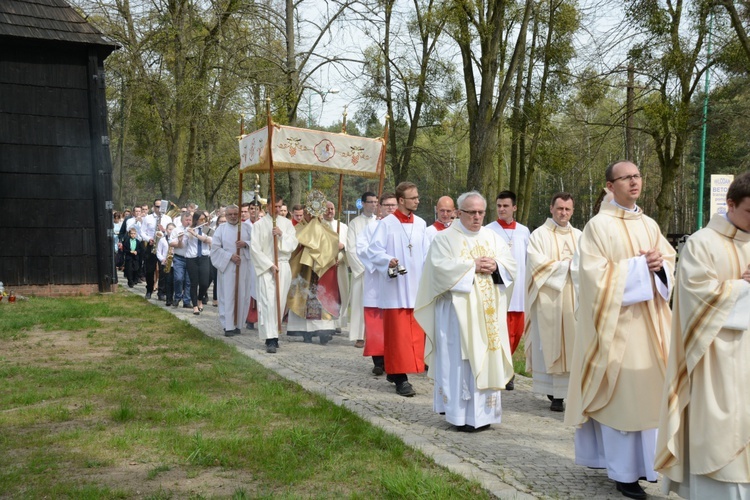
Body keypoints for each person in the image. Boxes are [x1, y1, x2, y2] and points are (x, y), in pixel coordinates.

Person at [565, 160, 675, 500]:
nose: (634, 182)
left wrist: (659, 268)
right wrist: (641, 267)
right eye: (626, 177)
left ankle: (649, 467)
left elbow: (669, 263)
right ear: (610, 186)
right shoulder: (598, 226)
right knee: (621, 398)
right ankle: (623, 473)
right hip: (615, 327)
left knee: (652, 397)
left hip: (652, 324)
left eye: (637, 175)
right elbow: (593, 277)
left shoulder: (650, 224)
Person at [655, 171, 750, 499]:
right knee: (720, 445)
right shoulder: (701, 243)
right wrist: (743, 287)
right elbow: (695, 299)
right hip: (715, 361)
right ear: (731, 204)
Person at [416, 191, 516, 431]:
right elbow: (438, 271)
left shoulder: (493, 238)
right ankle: (459, 415)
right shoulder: (445, 239)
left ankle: (484, 415)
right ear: (459, 213)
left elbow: (511, 266)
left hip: (487, 314)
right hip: (456, 316)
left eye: (481, 212)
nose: (477, 217)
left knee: (486, 356)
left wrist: (496, 266)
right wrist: (472, 266)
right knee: (461, 362)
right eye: (471, 212)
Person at [367, 181, 429, 397]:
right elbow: (373, 251)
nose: (417, 201)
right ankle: (401, 379)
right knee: (398, 336)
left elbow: (427, 255)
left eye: (417, 197)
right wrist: (387, 260)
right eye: (413, 198)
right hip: (395, 289)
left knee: (413, 336)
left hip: (417, 287)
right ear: (402, 201)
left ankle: (395, 372)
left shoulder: (421, 224)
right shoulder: (386, 224)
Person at [525, 192, 581, 412]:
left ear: (573, 211)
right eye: (559, 209)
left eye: (567, 209)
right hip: (550, 299)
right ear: (551, 208)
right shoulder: (539, 235)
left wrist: (573, 266)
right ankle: (555, 394)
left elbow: (591, 264)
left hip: (575, 300)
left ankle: (574, 393)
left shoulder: (580, 235)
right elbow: (536, 264)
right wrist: (565, 266)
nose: (563, 213)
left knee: (576, 344)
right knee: (551, 342)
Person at [485, 190, 530, 390]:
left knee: (515, 332)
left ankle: (507, 366)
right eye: (499, 206)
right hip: (498, 288)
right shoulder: (488, 230)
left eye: (506, 206)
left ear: (514, 208)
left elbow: (528, 261)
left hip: (519, 291)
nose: (502, 209)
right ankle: (502, 371)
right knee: (498, 331)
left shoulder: (524, 231)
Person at [287, 191, 341, 344]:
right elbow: (293, 246)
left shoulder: (326, 228)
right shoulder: (298, 229)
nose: (311, 216)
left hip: (322, 270)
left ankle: (324, 330)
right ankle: (306, 331)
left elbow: (332, 245)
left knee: (322, 296)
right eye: (308, 213)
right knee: (304, 296)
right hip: (303, 270)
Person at [250, 196, 298, 353]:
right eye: (274, 206)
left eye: (279, 206)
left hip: (282, 265)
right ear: (268, 206)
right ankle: (270, 338)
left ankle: (275, 335)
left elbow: (293, 244)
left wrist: (281, 235)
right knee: (267, 302)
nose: (277, 209)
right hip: (266, 267)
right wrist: (269, 265)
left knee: (279, 302)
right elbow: (255, 249)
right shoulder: (258, 225)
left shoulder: (286, 224)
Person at [356, 193, 398, 375]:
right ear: (379, 207)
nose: (390, 208)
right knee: (376, 323)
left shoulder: (402, 228)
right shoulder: (370, 228)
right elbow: (362, 249)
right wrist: (382, 263)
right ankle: (378, 361)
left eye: (393, 205)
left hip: (396, 283)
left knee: (394, 323)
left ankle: (393, 359)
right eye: (386, 205)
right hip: (375, 281)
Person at [210, 205, 252, 336]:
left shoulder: (246, 228)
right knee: (227, 296)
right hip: (227, 266)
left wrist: (245, 244)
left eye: (235, 214)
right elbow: (215, 249)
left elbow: (255, 244)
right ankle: (228, 325)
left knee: (242, 295)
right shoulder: (221, 229)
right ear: (226, 215)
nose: (233, 216)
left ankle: (238, 324)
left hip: (243, 265)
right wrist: (230, 256)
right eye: (230, 214)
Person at [347, 191, 378, 348]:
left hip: (377, 270)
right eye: (370, 202)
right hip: (362, 271)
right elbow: (351, 248)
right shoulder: (354, 224)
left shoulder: (380, 222)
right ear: (363, 203)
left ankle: (374, 334)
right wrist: (364, 267)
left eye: (375, 202)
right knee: (359, 303)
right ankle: (359, 335)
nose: (373, 204)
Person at [323, 201, 349, 333]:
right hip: (325, 268)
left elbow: (350, 245)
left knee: (340, 294)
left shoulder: (343, 227)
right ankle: (327, 323)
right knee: (328, 294)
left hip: (341, 265)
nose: (330, 211)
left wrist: (343, 249)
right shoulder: (319, 226)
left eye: (332, 209)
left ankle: (338, 322)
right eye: (327, 209)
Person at [141, 199, 172, 300]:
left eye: (161, 207)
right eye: (157, 206)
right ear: (153, 207)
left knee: (163, 270)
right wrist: (148, 239)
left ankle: (161, 292)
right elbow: (142, 232)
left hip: (162, 245)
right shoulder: (148, 218)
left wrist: (164, 231)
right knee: (149, 270)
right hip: (152, 244)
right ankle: (149, 290)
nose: (159, 209)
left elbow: (171, 232)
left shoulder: (167, 218)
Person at [185, 211, 212, 315]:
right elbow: (182, 244)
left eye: (204, 219)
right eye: (201, 220)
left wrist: (195, 234)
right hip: (191, 258)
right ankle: (195, 305)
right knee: (193, 283)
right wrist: (181, 238)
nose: (203, 221)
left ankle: (200, 299)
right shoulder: (189, 230)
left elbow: (207, 240)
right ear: (196, 220)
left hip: (204, 257)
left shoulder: (207, 230)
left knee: (204, 283)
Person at [169, 212, 193, 309]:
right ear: (182, 220)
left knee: (188, 281)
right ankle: (177, 297)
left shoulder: (193, 230)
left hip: (191, 258)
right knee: (179, 278)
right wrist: (179, 241)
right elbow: (171, 243)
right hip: (179, 257)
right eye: (186, 220)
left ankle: (187, 301)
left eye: (190, 220)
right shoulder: (176, 230)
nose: (188, 222)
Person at [156, 222, 175, 306]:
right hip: (165, 263)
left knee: (173, 281)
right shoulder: (163, 240)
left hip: (174, 263)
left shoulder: (176, 240)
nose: (171, 231)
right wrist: (162, 259)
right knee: (165, 280)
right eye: (169, 229)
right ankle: (165, 296)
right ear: (166, 230)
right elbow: (158, 251)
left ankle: (171, 296)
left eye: (173, 229)